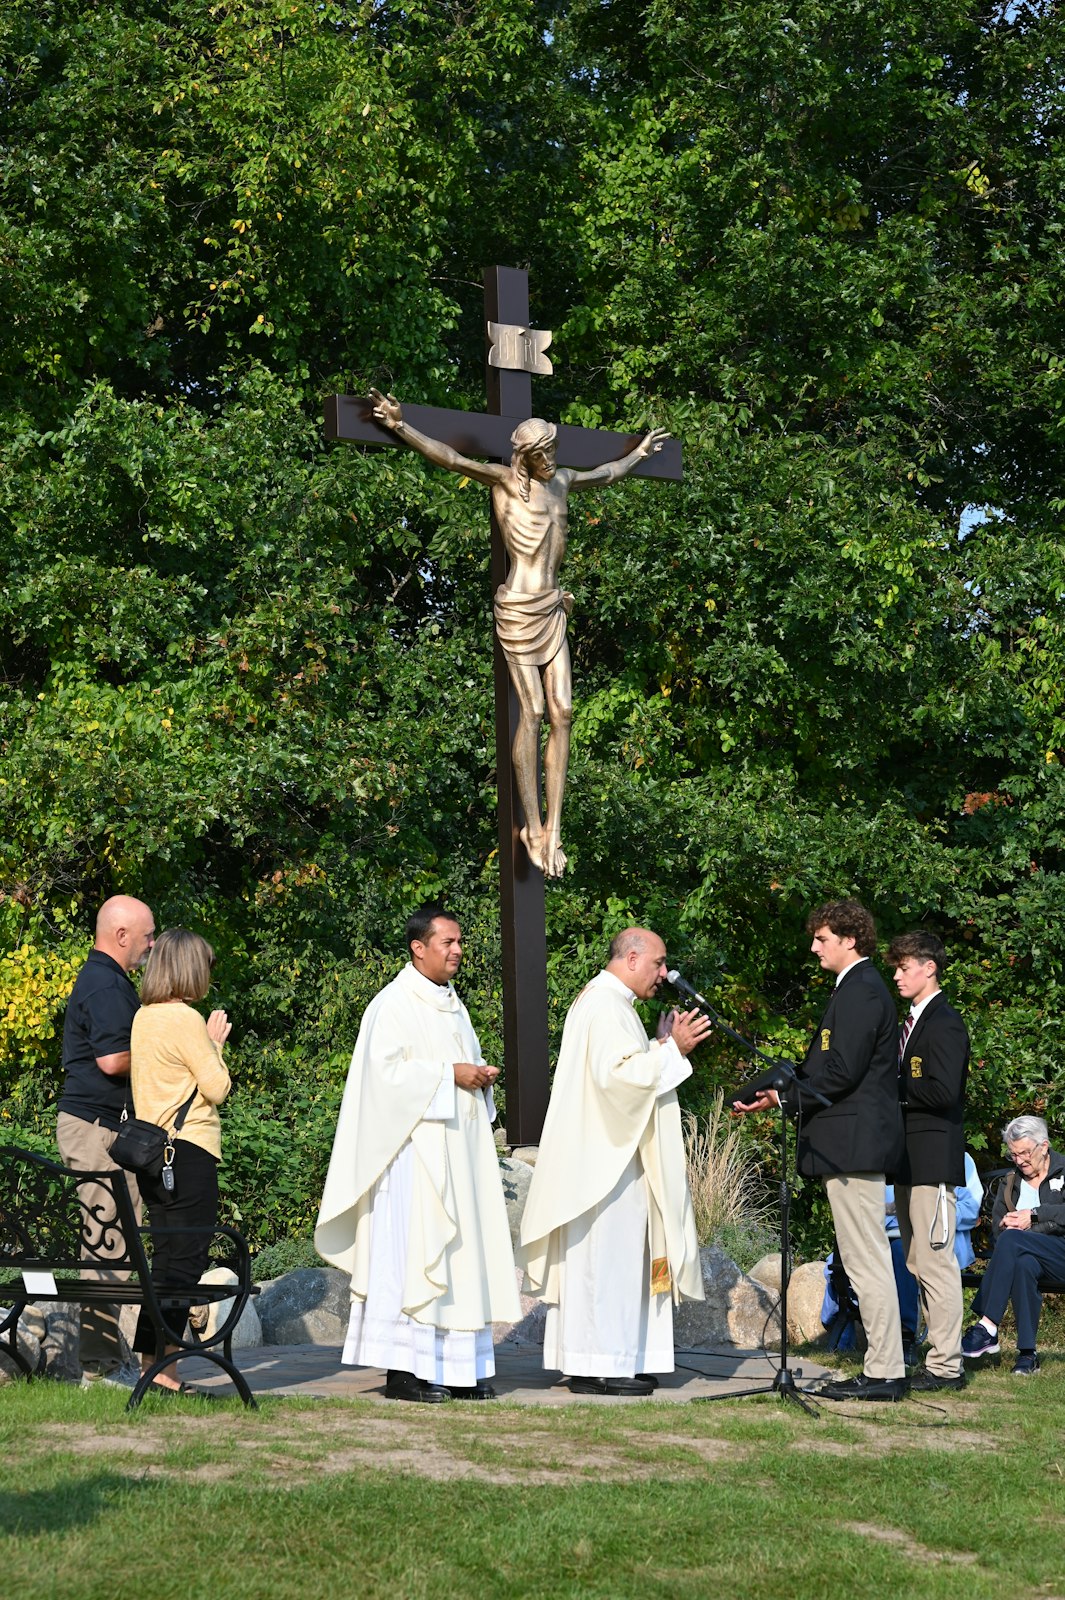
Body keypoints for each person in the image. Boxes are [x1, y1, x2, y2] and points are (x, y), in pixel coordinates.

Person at [368, 389, 668, 879]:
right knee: (530, 710)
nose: (551, 460)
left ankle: (554, 829)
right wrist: (400, 426)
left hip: (552, 605)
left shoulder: (564, 481)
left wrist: (637, 453)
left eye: (553, 451)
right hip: (519, 608)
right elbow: (450, 456)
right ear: (524, 457)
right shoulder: (504, 482)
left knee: (564, 712)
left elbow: (607, 473)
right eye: (542, 454)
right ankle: (531, 826)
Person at [315, 905, 520, 1403]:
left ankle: (457, 1370)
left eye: (459, 942)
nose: (457, 951)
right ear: (418, 947)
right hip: (412, 1161)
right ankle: (403, 1371)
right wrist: (450, 1074)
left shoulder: (454, 1004)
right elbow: (381, 1080)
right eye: (447, 942)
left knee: (458, 1258)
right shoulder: (392, 1005)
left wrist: (477, 1076)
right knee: (412, 1258)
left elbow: (456, 1065)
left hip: (458, 1154)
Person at [518, 927, 712, 1395]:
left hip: (614, 1158)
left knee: (622, 1262)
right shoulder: (605, 1006)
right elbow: (616, 1082)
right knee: (607, 1261)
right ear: (630, 957)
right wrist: (674, 1050)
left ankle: (616, 1357)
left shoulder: (610, 1004)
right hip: (607, 1167)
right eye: (658, 963)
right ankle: (599, 1363)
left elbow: (621, 1071)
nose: (664, 974)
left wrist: (659, 1047)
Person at [735, 899, 908, 1401]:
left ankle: (885, 1373)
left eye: (823, 938)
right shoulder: (856, 990)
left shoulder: (861, 992)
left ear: (850, 939)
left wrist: (784, 1095)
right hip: (850, 1145)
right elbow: (830, 1072)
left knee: (865, 1259)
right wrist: (775, 1095)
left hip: (855, 1147)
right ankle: (885, 1367)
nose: (814, 947)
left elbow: (841, 1073)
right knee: (861, 1257)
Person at [56, 893, 156, 1381]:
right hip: (97, 1129)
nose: (151, 945)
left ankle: (109, 1360)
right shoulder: (106, 984)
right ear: (121, 936)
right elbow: (113, 1059)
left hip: (99, 1127)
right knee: (106, 1246)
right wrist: (167, 1047)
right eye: (147, 936)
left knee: (113, 1243)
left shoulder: (105, 980)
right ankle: (98, 1367)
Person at [129, 929, 232, 1397]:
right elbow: (216, 1088)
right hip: (188, 1153)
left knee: (165, 1262)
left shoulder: (143, 1018)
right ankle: (168, 1374)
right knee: (184, 1265)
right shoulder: (186, 1019)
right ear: (190, 969)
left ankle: (152, 1364)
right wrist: (214, 1045)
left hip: (153, 1156)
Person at [887, 930, 971, 1391]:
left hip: (933, 1160)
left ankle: (947, 1366)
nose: (897, 975)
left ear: (929, 968)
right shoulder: (916, 1021)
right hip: (908, 1162)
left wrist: (892, 1086)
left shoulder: (945, 1022)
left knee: (936, 1262)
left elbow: (944, 1092)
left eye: (904, 967)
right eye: (896, 967)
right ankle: (935, 1354)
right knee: (918, 1261)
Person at [961, 1115, 1065, 1376]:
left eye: (1025, 1153)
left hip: (1061, 1254)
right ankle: (1027, 1356)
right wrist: (1012, 1229)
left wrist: (1033, 1217)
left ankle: (987, 1324)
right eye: (1013, 1155)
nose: (1020, 1161)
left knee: (1015, 1240)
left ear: (1044, 1146)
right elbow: (999, 1231)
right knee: (1022, 1262)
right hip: (1031, 1257)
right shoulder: (1010, 1183)